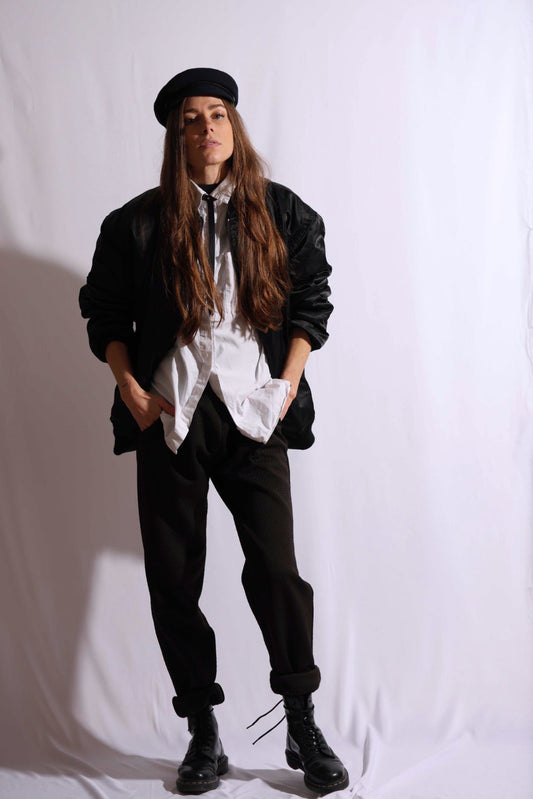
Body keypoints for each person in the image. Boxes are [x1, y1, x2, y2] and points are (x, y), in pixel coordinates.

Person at [79, 67, 348, 796]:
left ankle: (300, 720)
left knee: (277, 571)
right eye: (191, 119)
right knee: (173, 578)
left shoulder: (282, 212)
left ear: (235, 125)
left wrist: (285, 382)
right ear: (176, 136)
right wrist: (130, 387)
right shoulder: (133, 223)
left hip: (255, 413)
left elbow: (312, 301)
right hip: (170, 417)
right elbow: (104, 312)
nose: (206, 128)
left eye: (217, 113)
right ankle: (202, 729)